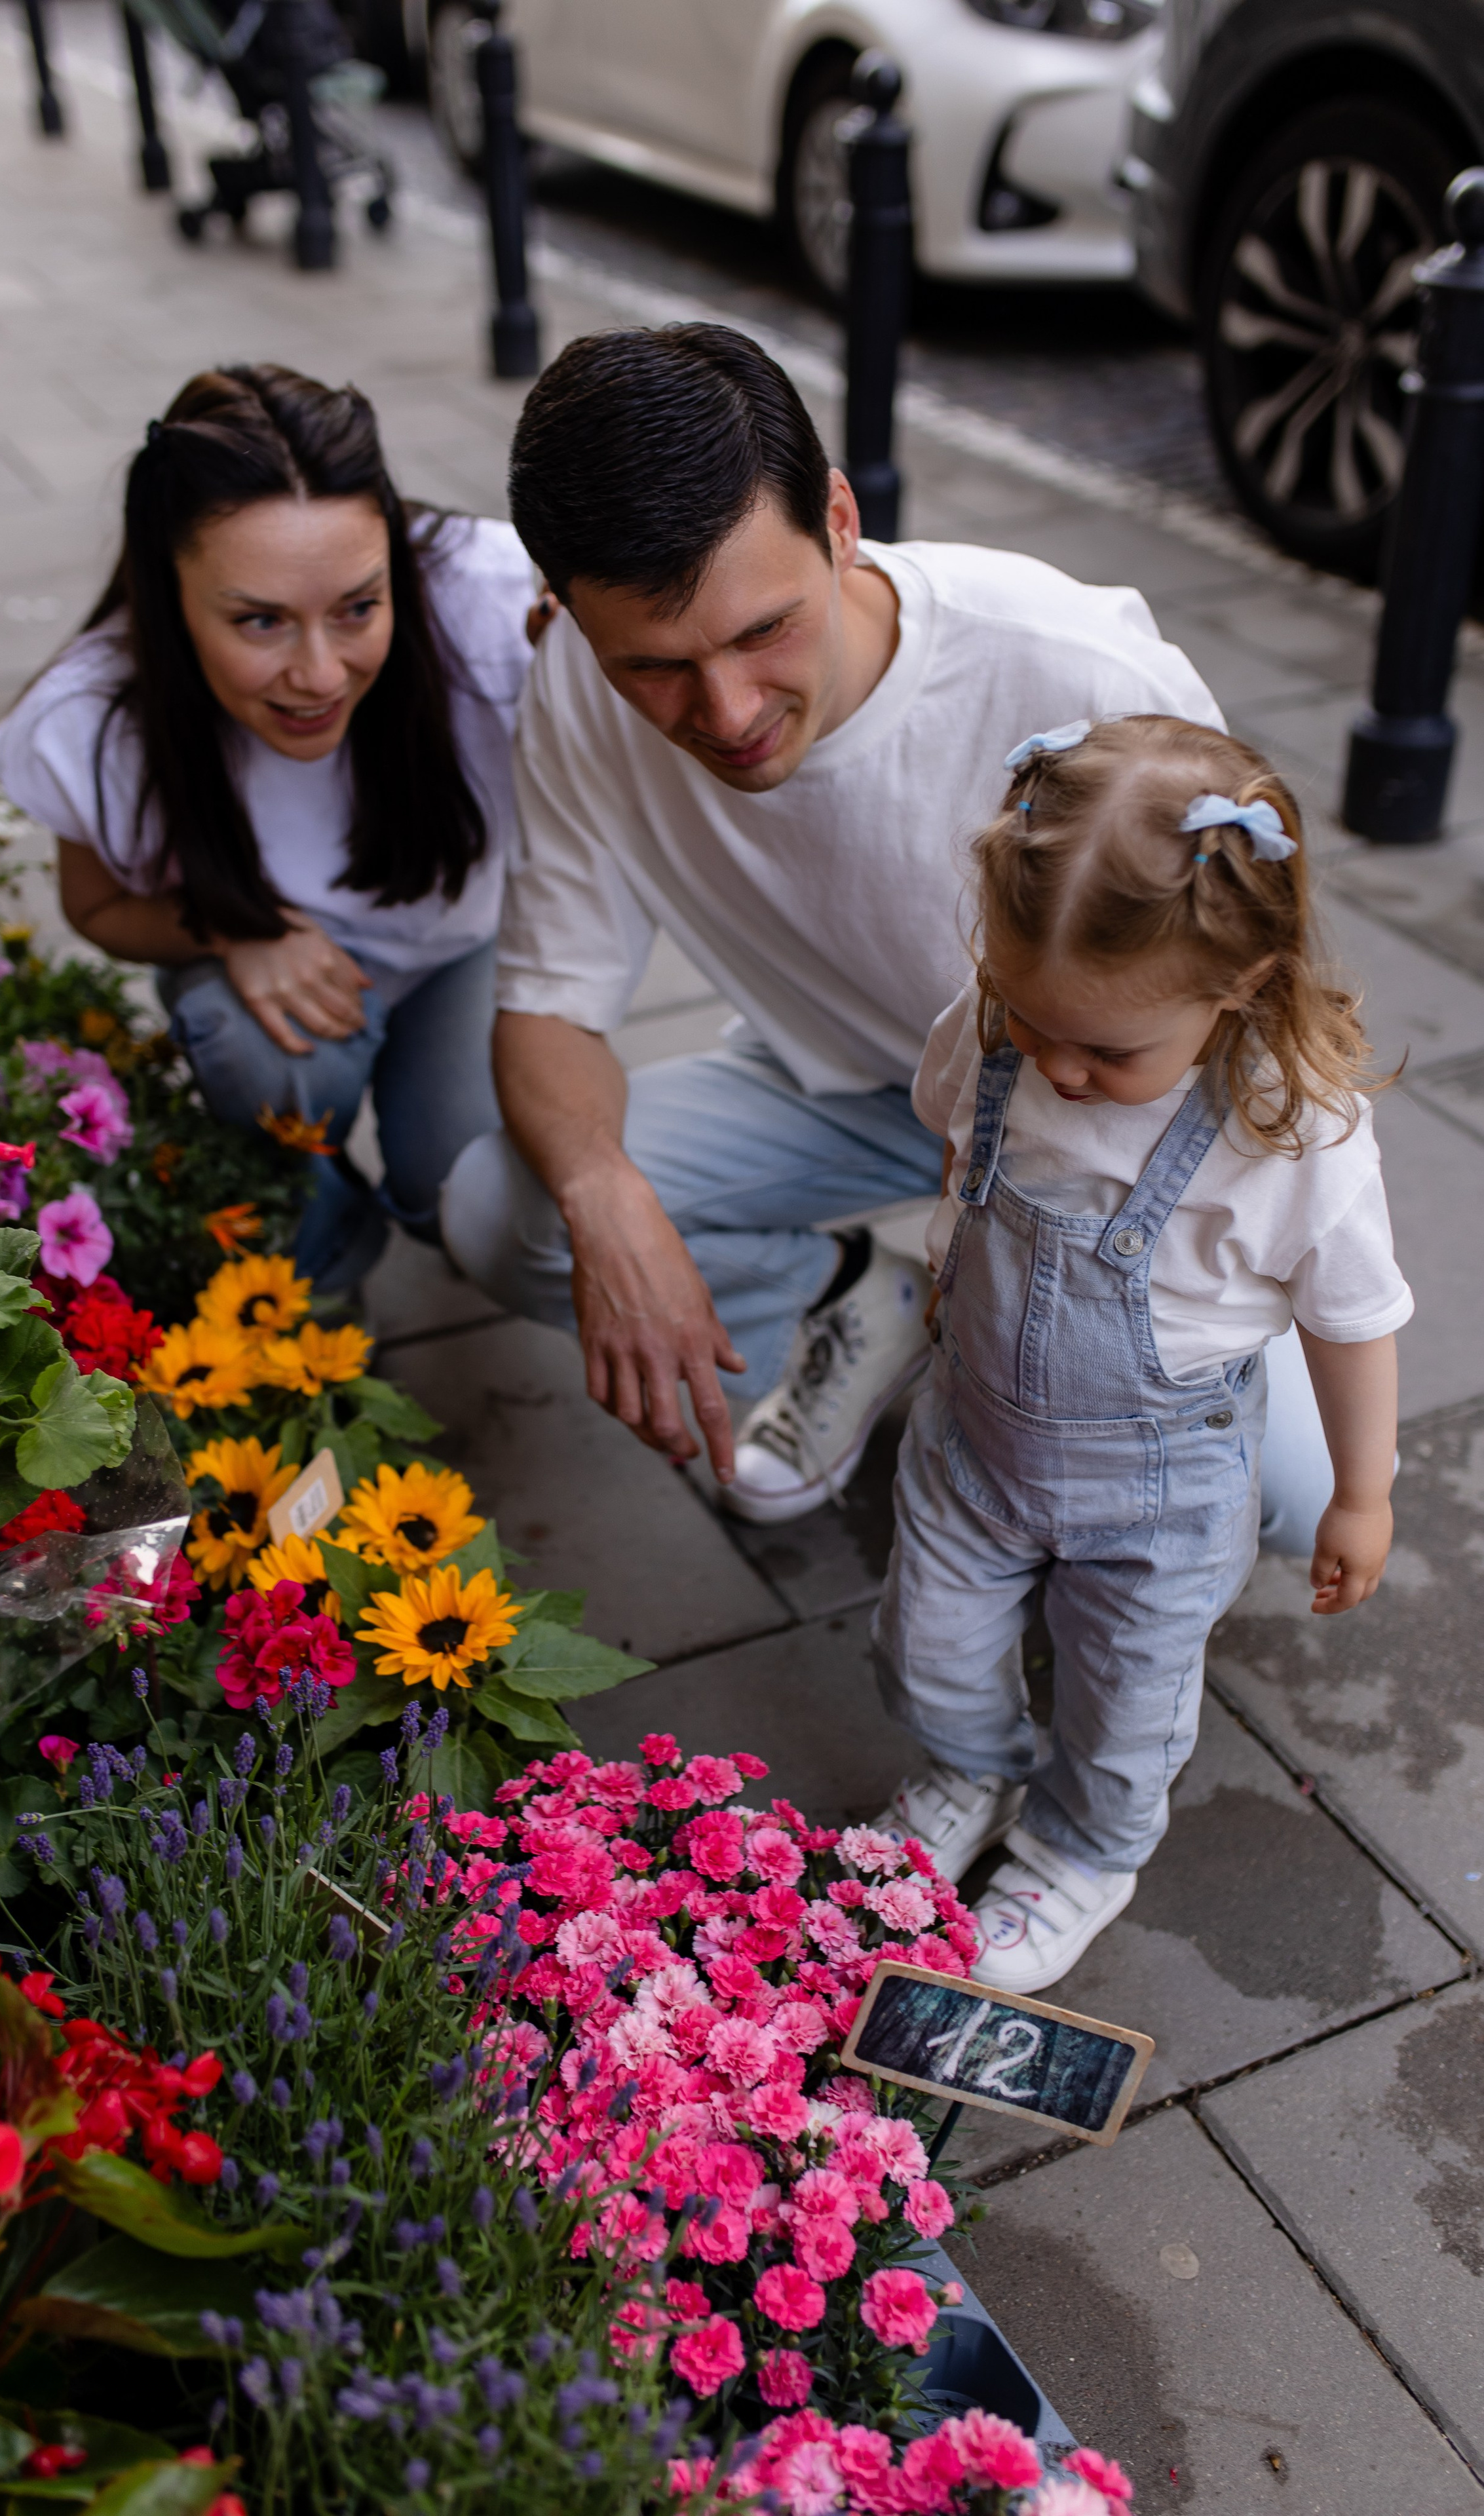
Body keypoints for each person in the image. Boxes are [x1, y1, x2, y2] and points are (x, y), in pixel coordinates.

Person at [442, 322, 1338, 1547]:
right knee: (506, 1211)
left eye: (764, 631)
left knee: (1294, 1498)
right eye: (653, 666)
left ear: (840, 520)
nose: (727, 713)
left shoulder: (1067, 664)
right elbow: (551, 1004)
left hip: (1104, 1111)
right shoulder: (572, 688)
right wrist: (606, 1201)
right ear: (567, 611)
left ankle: (990, 1365)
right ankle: (858, 1302)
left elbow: (1252, 995)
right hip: (854, 1090)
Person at [872, 715, 1409, 1991]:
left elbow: (1352, 1320)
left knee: (1124, 1696)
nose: (1057, 1067)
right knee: (925, 1644)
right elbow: (959, 1147)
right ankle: (970, 1769)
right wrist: (951, 1265)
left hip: (1158, 1484)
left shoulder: (1290, 1136)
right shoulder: (998, 1035)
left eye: (1109, 1051)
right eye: (1030, 1017)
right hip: (973, 1434)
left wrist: (1364, 1491)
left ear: (1240, 984)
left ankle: (1082, 1851)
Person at [0, 363, 537, 1297]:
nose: (319, 674)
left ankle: (420, 1197)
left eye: (358, 608)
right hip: (266, 978)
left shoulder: (490, 597)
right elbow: (96, 906)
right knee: (254, 1054)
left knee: (467, 1192)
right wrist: (237, 929)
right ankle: (315, 1257)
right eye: (261, 622)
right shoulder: (97, 716)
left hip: (465, 944)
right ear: (172, 588)